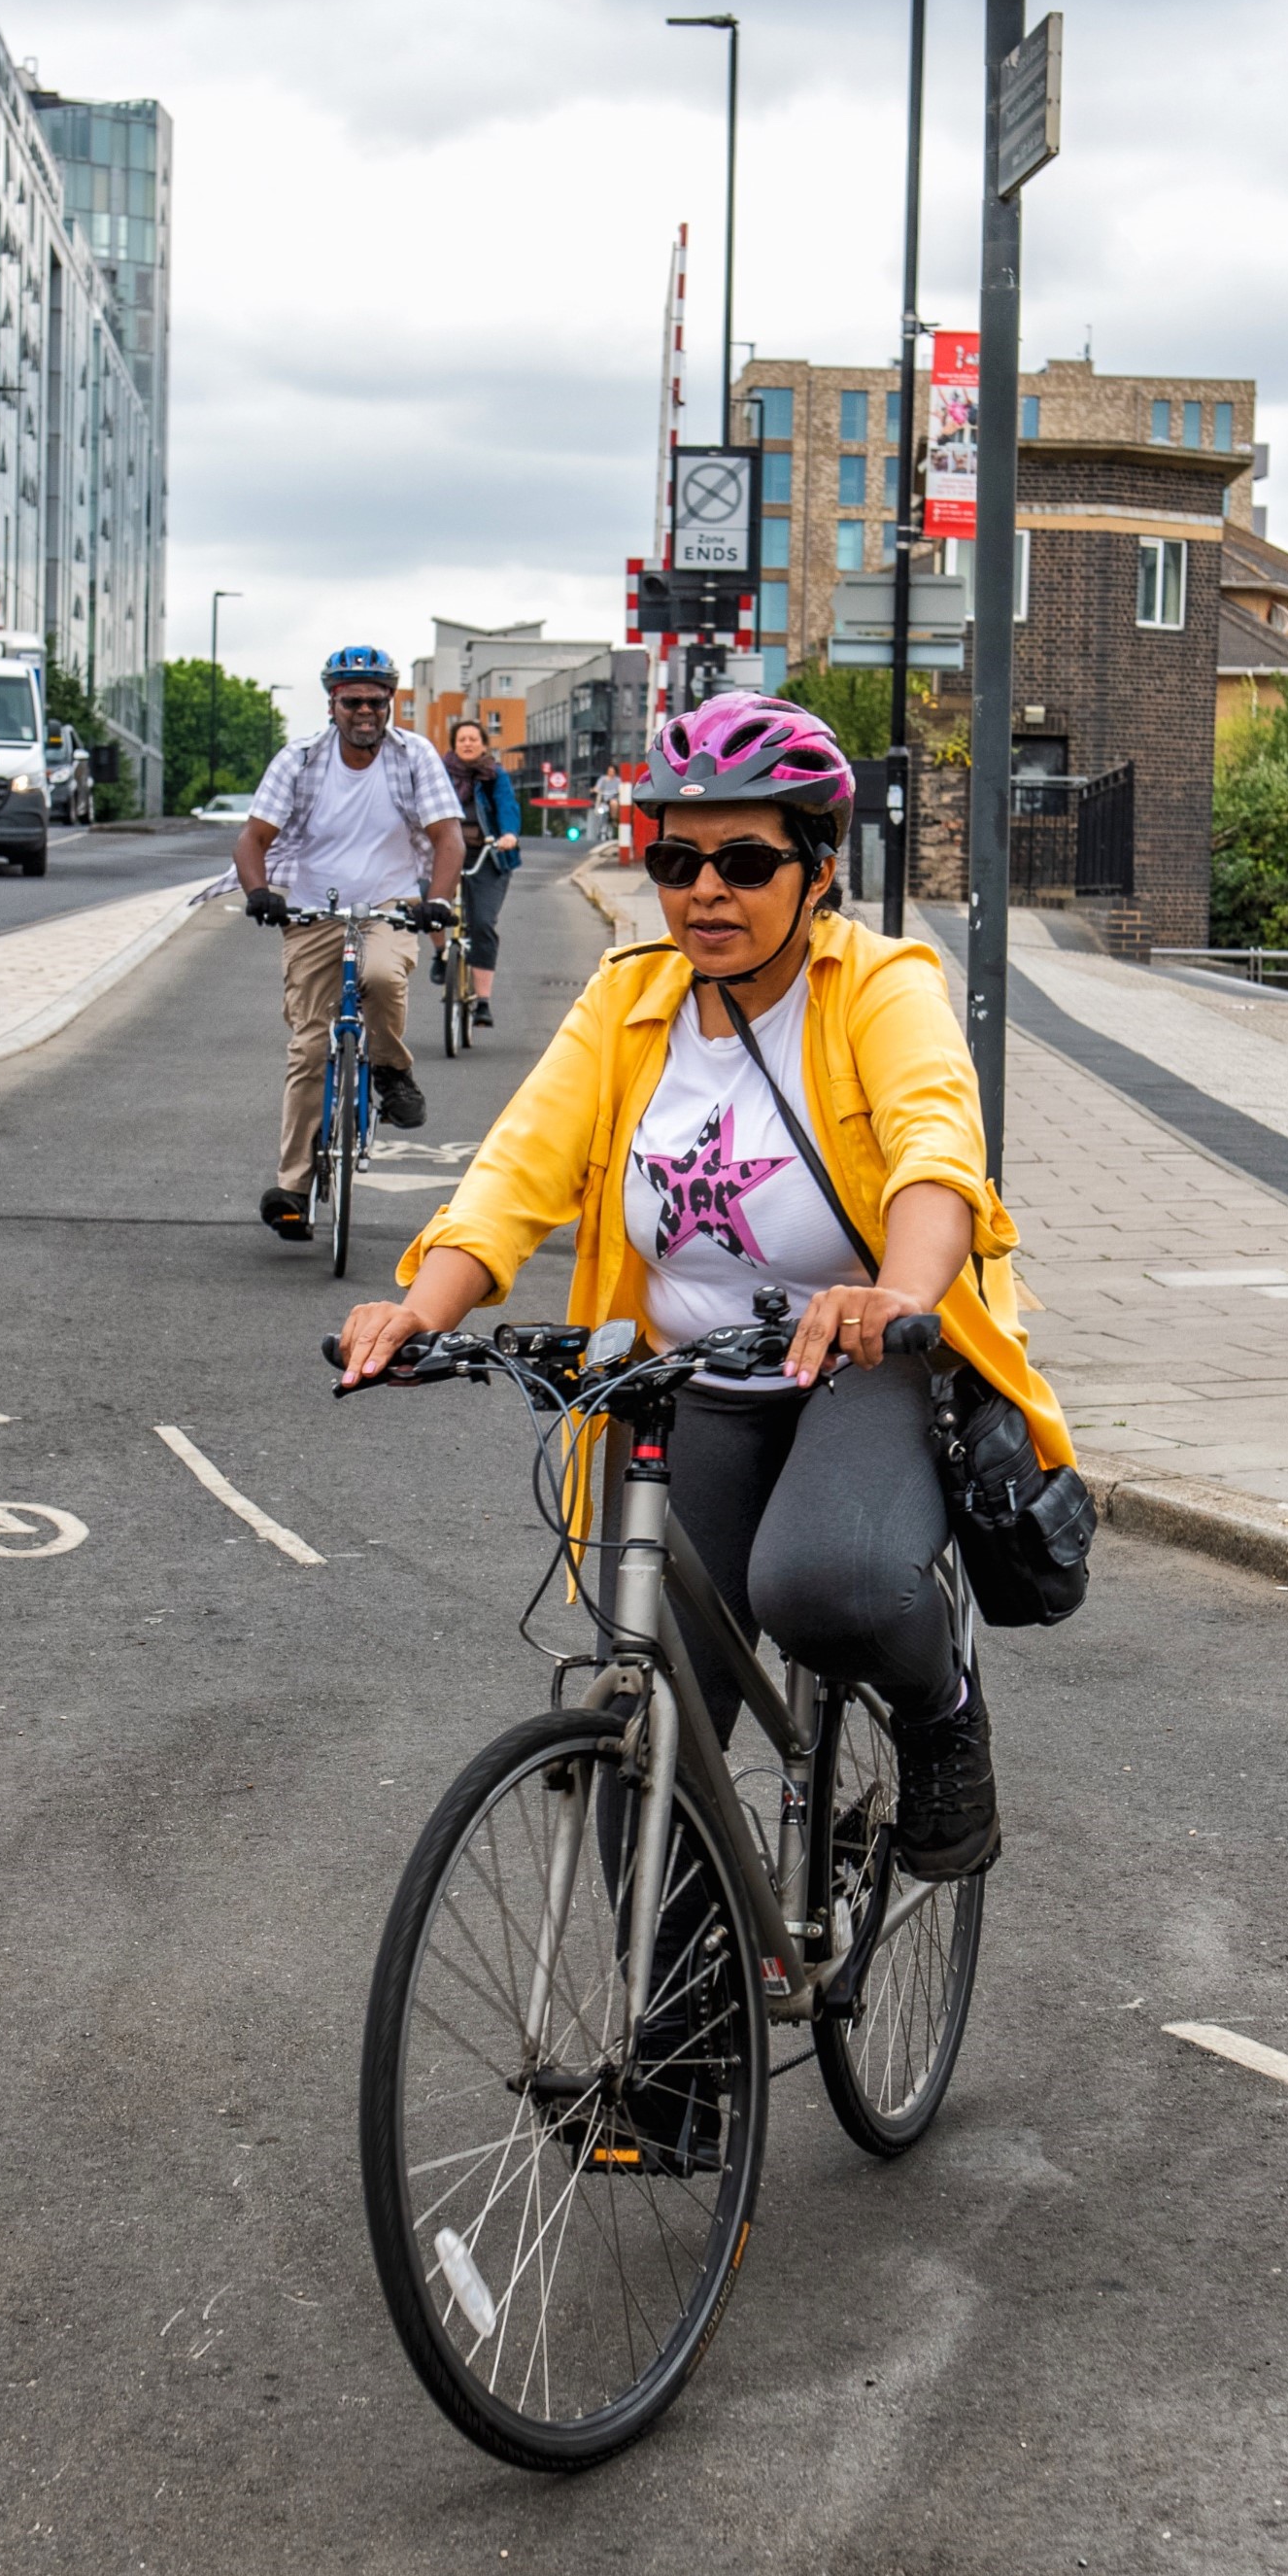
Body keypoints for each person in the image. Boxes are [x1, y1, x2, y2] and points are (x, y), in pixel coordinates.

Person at [331, 693, 1063, 1880]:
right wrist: (423, 1305)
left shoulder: (882, 989)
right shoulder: (629, 1000)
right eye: (676, 858)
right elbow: (521, 1168)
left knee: (824, 1581)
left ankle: (942, 1710)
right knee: (649, 1719)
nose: (704, 890)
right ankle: (672, 2050)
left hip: (865, 1362)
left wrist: (898, 1293)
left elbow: (938, 1152)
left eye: (744, 860)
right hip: (693, 1378)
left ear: (816, 871)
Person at [238, 647, 463, 1242]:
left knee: (385, 977)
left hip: (387, 907)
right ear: (332, 705)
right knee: (310, 1049)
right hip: (313, 911)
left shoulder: (414, 758)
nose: (364, 710)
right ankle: (292, 1187)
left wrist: (435, 900)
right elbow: (252, 838)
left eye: (375, 700)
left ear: (389, 702)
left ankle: (391, 1069)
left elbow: (448, 839)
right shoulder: (301, 759)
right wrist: (261, 892)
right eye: (352, 701)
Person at [442, 716, 525, 1027]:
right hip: (446, 854)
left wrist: (509, 835)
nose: (467, 744)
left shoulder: (494, 775)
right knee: (429, 903)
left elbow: (507, 807)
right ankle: (440, 956)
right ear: (454, 745)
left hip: (488, 854)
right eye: (461, 739)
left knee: (483, 923)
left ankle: (482, 1001)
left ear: (484, 745)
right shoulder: (439, 775)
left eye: (473, 739)